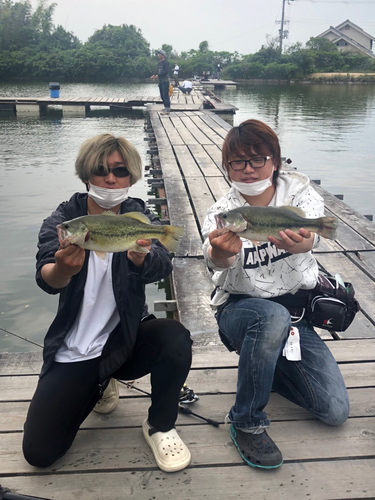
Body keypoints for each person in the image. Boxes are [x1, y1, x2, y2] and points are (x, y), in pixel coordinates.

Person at [22, 133, 192, 473]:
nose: (110, 179)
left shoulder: (136, 215)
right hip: (76, 347)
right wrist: (62, 270)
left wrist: (141, 258)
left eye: (120, 171)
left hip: (127, 338)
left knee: (175, 337)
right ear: (87, 174)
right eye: (101, 170)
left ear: (131, 176)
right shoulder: (65, 220)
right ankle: (100, 383)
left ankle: (160, 425)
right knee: (39, 453)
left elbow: (161, 265)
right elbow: (46, 278)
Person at [202, 119, 349, 470]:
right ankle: (246, 420)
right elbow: (213, 264)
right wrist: (221, 253)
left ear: (275, 160)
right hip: (240, 311)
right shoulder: (222, 214)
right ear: (227, 167)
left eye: (258, 159)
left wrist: (309, 239)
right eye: (238, 162)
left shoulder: (298, 192)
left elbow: (314, 228)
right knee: (271, 317)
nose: (249, 169)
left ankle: (264, 364)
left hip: (296, 315)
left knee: (334, 410)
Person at [150, 49, 171, 115]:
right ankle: (165, 107)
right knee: (162, 95)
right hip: (161, 81)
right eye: (158, 54)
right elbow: (158, 72)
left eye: (160, 54)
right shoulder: (159, 63)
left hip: (165, 81)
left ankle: (167, 109)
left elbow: (166, 71)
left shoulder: (166, 63)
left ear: (163, 55)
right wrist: (155, 75)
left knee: (165, 95)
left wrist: (158, 75)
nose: (158, 55)